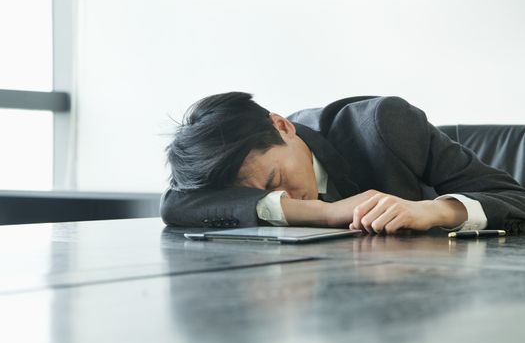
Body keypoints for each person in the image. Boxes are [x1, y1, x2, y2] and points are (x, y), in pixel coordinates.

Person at [161, 92, 525, 234]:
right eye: (268, 198)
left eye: (277, 181)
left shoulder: (384, 126)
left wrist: (433, 211)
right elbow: (177, 203)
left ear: (283, 126)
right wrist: (322, 212)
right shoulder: (239, 167)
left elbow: (514, 199)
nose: (285, 196)